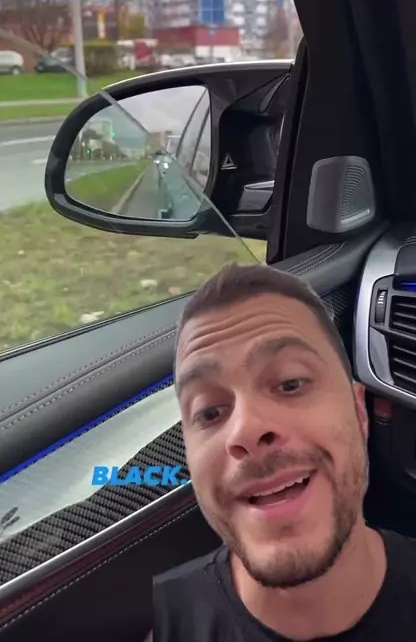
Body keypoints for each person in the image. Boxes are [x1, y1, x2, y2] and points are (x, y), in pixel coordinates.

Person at [148, 263, 416, 640]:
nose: (246, 430)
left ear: (359, 412)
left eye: (290, 384)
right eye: (209, 412)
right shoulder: (167, 623)